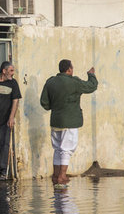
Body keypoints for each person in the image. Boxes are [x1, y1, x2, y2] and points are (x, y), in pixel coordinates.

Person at [40, 59, 98, 187]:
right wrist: (91, 74)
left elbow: (44, 102)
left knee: (57, 149)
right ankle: (62, 176)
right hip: (70, 121)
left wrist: (54, 107)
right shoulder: (74, 82)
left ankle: (55, 176)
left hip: (55, 120)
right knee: (66, 149)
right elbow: (91, 86)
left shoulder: (50, 82)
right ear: (69, 69)